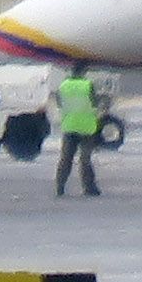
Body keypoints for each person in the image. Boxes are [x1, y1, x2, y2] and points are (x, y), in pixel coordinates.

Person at [51, 62, 108, 196]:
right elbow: (95, 103)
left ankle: (60, 187)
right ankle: (89, 188)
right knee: (85, 159)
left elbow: (59, 103)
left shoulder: (63, 86)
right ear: (83, 72)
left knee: (66, 159)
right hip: (86, 127)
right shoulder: (87, 85)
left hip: (69, 126)